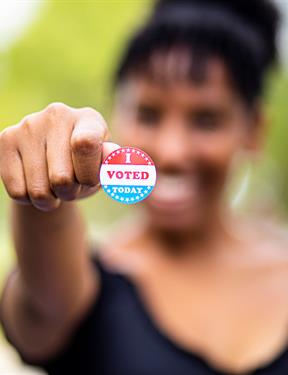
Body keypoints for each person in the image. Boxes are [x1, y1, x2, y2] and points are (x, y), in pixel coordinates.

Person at [0, 0, 287, 374]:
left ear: (254, 130)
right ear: (116, 114)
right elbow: (43, 298)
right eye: (148, 114)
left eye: (206, 120)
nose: (171, 152)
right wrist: (45, 193)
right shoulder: (79, 286)